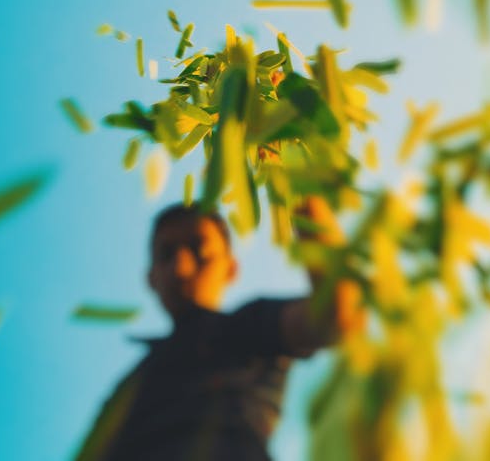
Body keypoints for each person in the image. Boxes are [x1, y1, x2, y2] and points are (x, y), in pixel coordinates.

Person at [74, 197, 364, 460]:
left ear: (231, 268)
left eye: (199, 249)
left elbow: (339, 315)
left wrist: (303, 196)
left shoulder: (249, 326)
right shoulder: (130, 384)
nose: (181, 266)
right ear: (151, 278)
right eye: (166, 254)